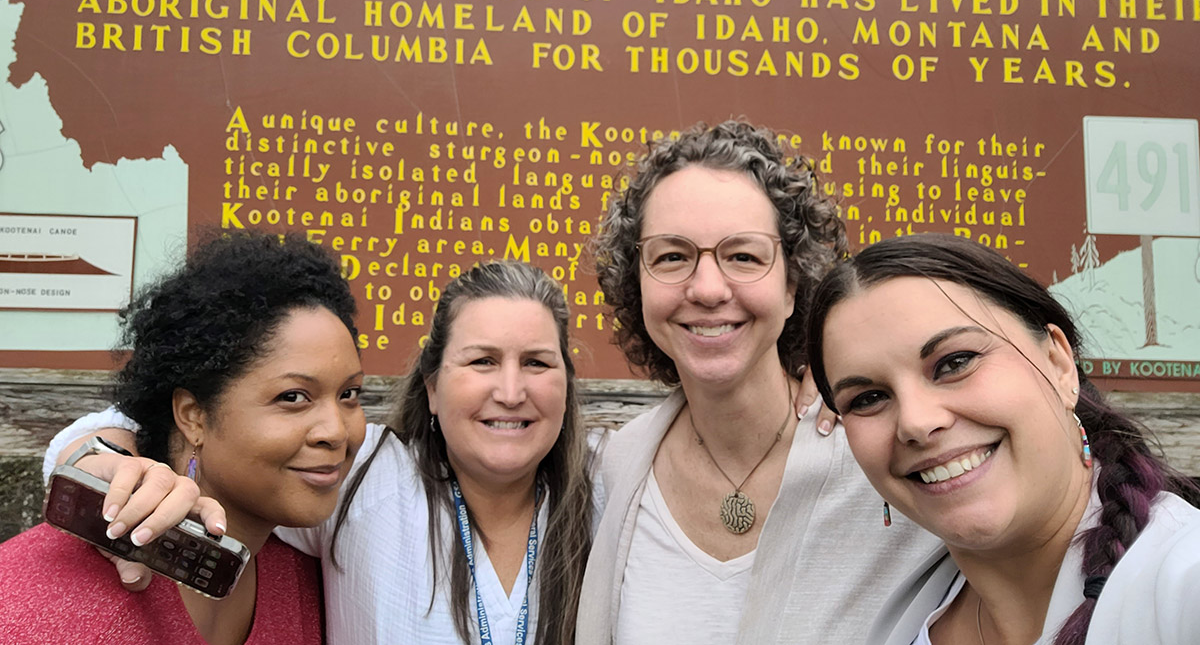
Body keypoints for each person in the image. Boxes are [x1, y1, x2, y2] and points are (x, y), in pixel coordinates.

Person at [44, 259, 593, 645]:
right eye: (482, 361)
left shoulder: (614, 487)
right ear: (431, 384)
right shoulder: (360, 475)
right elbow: (167, 420)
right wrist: (102, 463)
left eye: (539, 363)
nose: (512, 391)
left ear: (567, 384)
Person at [576, 121, 939, 645]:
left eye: (743, 256)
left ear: (793, 284)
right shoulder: (620, 470)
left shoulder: (878, 454)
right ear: (636, 283)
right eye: (672, 256)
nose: (706, 288)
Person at [805, 233, 1200, 645]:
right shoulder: (898, 617)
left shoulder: (1185, 585)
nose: (917, 423)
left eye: (954, 363)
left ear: (1058, 363)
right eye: (869, 398)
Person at [2, 231, 366, 645]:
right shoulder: (41, 609)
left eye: (350, 394)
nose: (336, 431)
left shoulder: (302, 575)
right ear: (193, 416)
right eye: (293, 397)